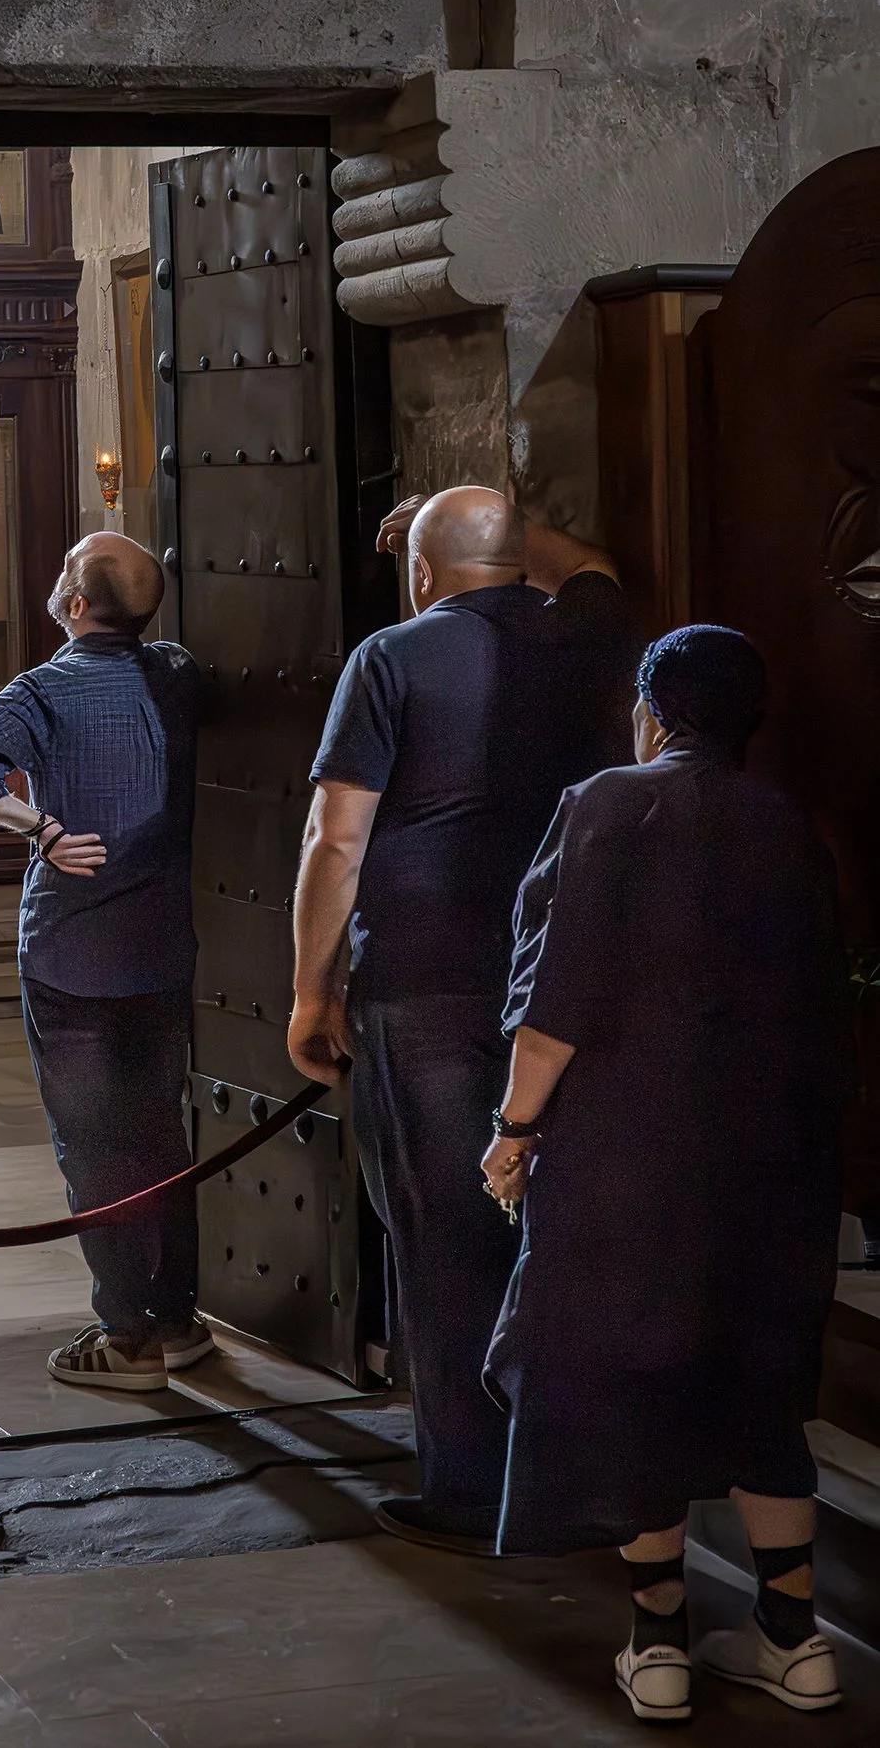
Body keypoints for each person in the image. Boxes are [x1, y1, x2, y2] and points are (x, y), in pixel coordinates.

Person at [481, 626, 852, 1723]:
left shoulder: (606, 804)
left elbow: (561, 999)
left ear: (652, 709)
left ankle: (659, 1649)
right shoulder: (788, 826)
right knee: (761, 1382)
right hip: (773, 1159)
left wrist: (511, 1129)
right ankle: (797, 1641)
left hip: (625, 1153)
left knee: (638, 1381)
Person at [288, 486, 639, 1549]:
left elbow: (336, 839)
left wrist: (312, 990)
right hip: (563, 978)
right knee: (561, 1224)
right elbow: (597, 572)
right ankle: (573, 1478)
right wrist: (501, 524)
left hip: (425, 979)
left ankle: (468, 1492)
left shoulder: (392, 656)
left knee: (442, 1233)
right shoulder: (585, 635)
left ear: (422, 573)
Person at [0, 533, 210, 1392]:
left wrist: (39, 829)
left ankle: (125, 1343)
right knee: (161, 1132)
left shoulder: (43, 690)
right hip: (164, 947)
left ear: (77, 605)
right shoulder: (177, 675)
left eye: (61, 572)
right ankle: (179, 1321)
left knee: (92, 1144)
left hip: (70, 952)